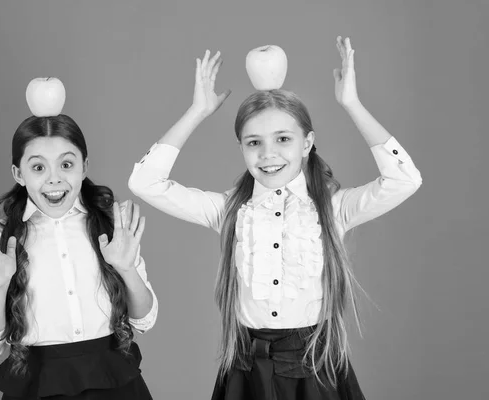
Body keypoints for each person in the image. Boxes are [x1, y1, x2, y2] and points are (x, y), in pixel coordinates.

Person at [128, 37, 422, 399]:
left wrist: (352, 104)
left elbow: (404, 179)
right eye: (254, 142)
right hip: (246, 371)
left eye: (283, 138)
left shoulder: (334, 209)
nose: (268, 155)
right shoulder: (230, 210)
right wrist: (197, 112)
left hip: (316, 367)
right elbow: (145, 182)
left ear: (307, 142)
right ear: (241, 148)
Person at [0, 88, 157, 399]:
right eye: (38, 167)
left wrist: (126, 268)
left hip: (114, 381)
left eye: (66, 165)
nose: (54, 179)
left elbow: (145, 319)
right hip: (37, 384)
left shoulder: (113, 224)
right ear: (19, 173)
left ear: (84, 166)